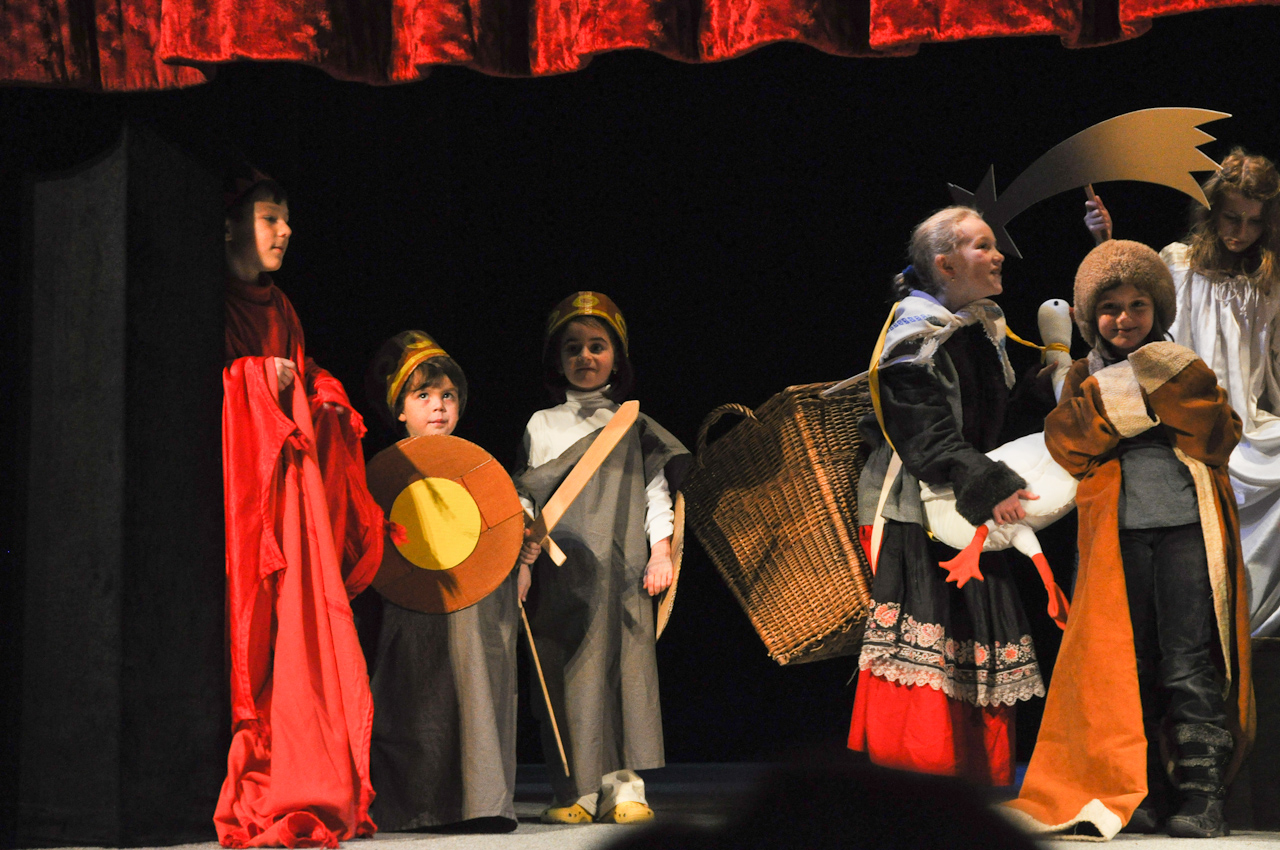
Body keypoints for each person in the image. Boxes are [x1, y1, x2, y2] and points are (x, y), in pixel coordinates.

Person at [1007, 240, 1254, 840]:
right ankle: (1136, 788)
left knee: (1188, 660)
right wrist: (1133, 397)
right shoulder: (1084, 376)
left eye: (1138, 304)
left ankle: (1201, 797)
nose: (1124, 318)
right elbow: (1068, 444)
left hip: (1187, 530)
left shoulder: (1183, 365)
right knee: (1125, 663)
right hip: (1116, 537)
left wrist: (1138, 397)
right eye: (1110, 307)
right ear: (1091, 317)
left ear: (1158, 308)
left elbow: (1218, 435)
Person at [216, 167, 385, 847]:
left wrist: (324, 390)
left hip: (289, 485)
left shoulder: (282, 307)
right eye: (269, 219)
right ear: (231, 226)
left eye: (287, 220)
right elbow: (215, 383)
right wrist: (260, 378)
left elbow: (303, 368)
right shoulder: (210, 299)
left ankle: (309, 760)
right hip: (243, 489)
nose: (285, 231)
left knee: (303, 621)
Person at [849, 206, 1046, 786]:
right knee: (930, 635)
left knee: (975, 632)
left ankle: (969, 779)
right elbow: (924, 433)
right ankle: (917, 782)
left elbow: (999, 418)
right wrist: (989, 484)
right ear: (945, 264)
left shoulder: (977, 330)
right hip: (916, 506)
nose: (998, 255)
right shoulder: (913, 335)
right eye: (982, 246)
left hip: (970, 502)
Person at [1086, 149, 1280, 636]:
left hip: (1247, 421)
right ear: (1211, 212)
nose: (1241, 231)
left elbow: (1272, 359)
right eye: (1232, 217)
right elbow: (1132, 310)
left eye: (1254, 221)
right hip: (1188, 418)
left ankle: (1252, 624)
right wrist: (1105, 239)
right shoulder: (1178, 264)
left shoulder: (1267, 279)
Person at [515, 292, 690, 825]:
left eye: (597, 346)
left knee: (623, 673)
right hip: (562, 573)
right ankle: (576, 790)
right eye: (573, 348)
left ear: (617, 357)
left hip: (623, 567)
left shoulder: (632, 423)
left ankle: (625, 788)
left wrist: (661, 552)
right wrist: (522, 559)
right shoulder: (542, 425)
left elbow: (656, 494)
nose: (585, 356)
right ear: (557, 359)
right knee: (566, 674)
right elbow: (525, 498)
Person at [364, 331, 539, 833]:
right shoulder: (388, 471)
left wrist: (522, 548)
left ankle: (483, 803)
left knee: (479, 689)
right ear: (400, 409)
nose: (438, 406)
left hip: (476, 599)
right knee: (416, 694)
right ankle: (413, 807)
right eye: (422, 395)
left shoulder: (477, 466)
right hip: (411, 599)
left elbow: (505, 522)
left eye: (447, 395)